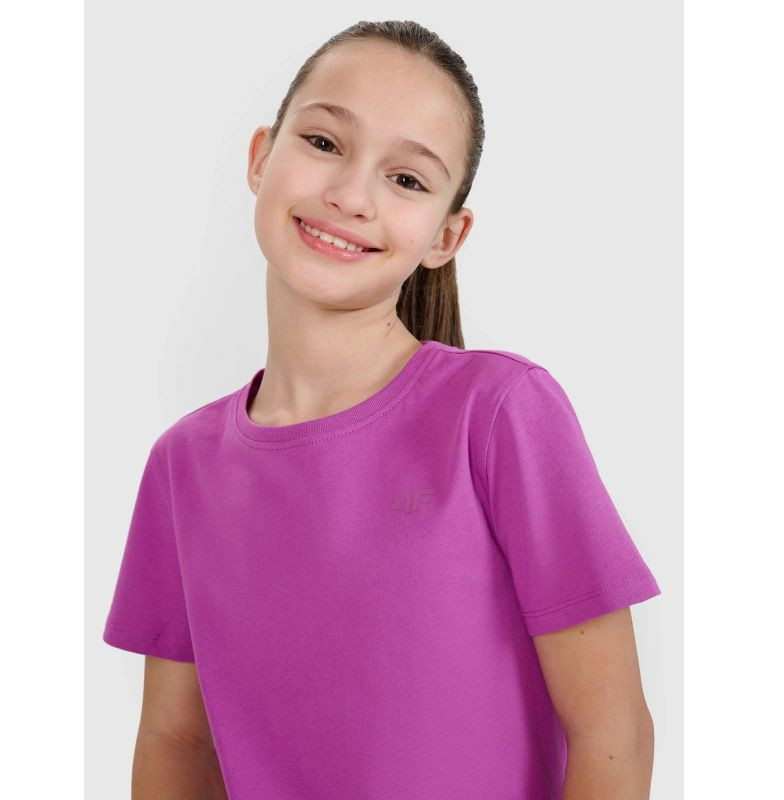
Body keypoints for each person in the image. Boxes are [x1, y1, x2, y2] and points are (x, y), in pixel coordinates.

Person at [103, 19, 662, 800]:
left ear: (446, 236)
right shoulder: (182, 464)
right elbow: (175, 741)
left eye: (407, 180)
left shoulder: (500, 414)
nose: (351, 196)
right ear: (261, 157)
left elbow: (612, 731)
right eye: (324, 142)